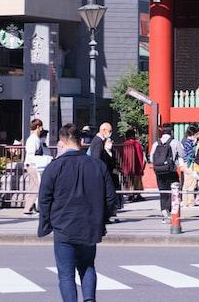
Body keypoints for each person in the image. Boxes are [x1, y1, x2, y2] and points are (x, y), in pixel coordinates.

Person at [38, 124, 116, 302]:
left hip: (63, 226)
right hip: (90, 225)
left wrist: (46, 224)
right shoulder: (97, 165)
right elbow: (111, 198)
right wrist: (102, 220)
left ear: (61, 143)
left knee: (66, 275)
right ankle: (89, 299)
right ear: (82, 141)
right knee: (88, 266)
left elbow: (44, 199)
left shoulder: (55, 167)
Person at [150, 125, 183, 223]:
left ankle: (164, 212)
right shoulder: (175, 142)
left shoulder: (156, 143)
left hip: (159, 172)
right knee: (173, 192)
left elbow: (152, 158)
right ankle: (172, 213)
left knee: (163, 192)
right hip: (171, 171)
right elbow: (182, 155)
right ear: (171, 132)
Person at [23, 118, 46, 215]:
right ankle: (37, 208)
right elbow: (31, 154)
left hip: (32, 165)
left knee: (33, 187)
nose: (42, 128)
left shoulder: (33, 139)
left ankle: (28, 208)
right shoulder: (33, 139)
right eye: (41, 126)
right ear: (38, 127)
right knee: (37, 186)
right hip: (33, 165)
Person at [120, 129, 145, 202]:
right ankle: (137, 195)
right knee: (137, 181)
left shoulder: (124, 144)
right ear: (133, 136)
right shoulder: (136, 144)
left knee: (129, 181)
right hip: (136, 167)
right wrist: (141, 167)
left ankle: (130, 195)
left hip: (126, 167)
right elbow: (140, 156)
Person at [180, 125, 199, 208]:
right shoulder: (188, 142)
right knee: (191, 183)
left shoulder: (183, 140)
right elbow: (190, 153)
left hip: (185, 164)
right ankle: (190, 202)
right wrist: (195, 144)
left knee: (186, 183)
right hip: (189, 164)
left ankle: (185, 201)